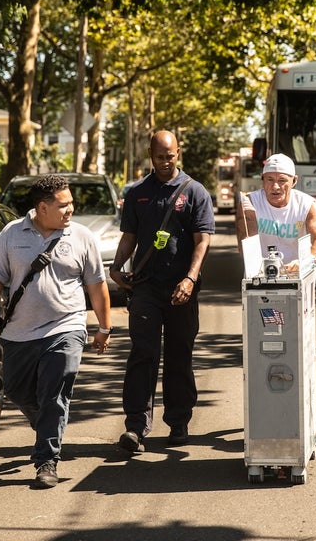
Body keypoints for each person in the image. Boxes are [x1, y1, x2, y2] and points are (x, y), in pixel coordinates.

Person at [0, 174, 112, 488]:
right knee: (16, 390)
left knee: (54, 393)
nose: (70, 211)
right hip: (20, 332)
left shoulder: (81, 236)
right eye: (63, 206)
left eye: (72, 204)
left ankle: (46, 460)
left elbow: (96, 284)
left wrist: (104, 327)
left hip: (67, 326)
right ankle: (47, 426)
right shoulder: (12, 233)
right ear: (42, 207)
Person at [109, 130, 215, 451]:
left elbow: (202, 241)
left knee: (179, 354)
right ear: (150, 155)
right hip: (146, 288)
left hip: (181, 288)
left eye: (170, 156)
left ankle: (179, 420)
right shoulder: (138, 193)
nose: (166, 162)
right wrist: (116, 266)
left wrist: (190, 279)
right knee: (143, 353)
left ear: (178, 153)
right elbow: (129, 236)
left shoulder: (195, 192)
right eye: (160, 157)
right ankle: (136, 427)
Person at [235, 153, 316, 271]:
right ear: (262, 179)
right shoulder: (249, 203)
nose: (275, 187)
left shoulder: (308, 205)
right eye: (270, 179)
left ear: (294, 181)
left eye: (282, 180)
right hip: (261, 273)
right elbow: (248, 241)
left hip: (298, 274)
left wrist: (307, 261)